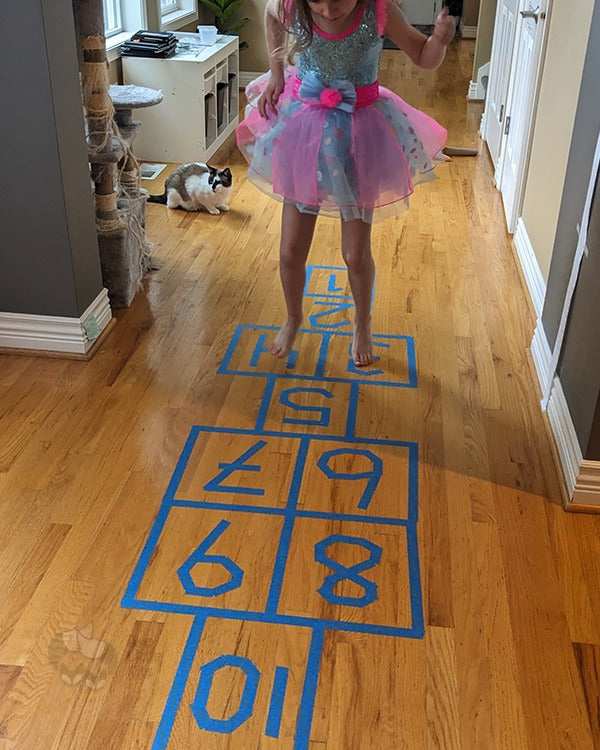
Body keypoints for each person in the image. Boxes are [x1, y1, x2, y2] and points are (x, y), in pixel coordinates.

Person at [236, 0, 456, 365]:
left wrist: (440, 41)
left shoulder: (378, 10)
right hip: (303, 133)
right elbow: (270, 14)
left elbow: (422, 55)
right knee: (290, 252)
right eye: (316, 0)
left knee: (355, 255)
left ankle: (362, 323)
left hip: (358, 139)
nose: (327, 9)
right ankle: (293, 317)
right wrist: (276, 69)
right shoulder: (294, 7)